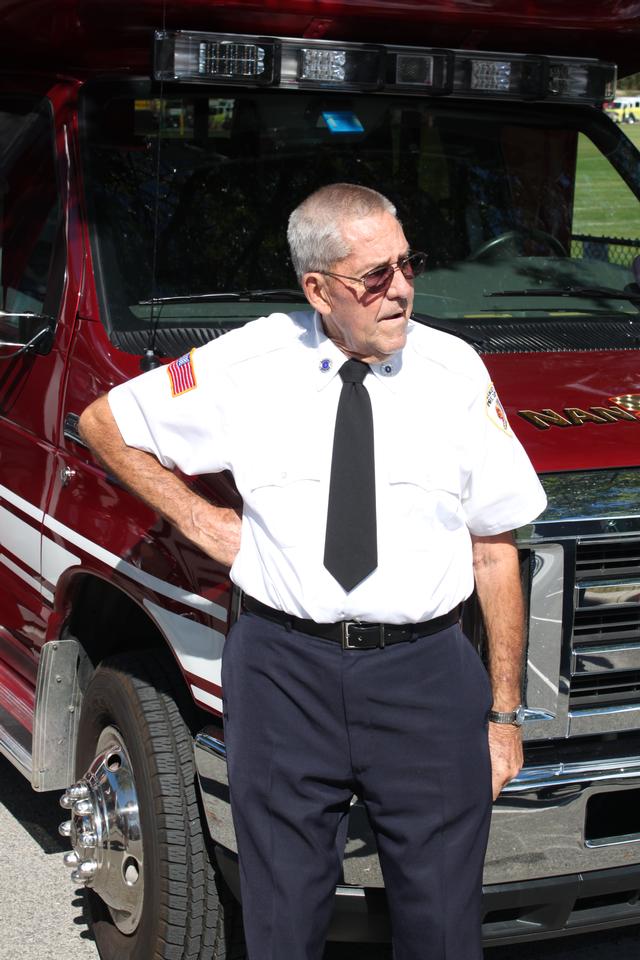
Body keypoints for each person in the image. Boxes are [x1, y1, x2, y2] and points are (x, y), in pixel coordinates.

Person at [78, 182, 547, 960]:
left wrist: (503, 716)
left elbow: (494, 547)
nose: (400, 290)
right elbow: (105, 423)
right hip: (283, 672)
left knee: (441, 924)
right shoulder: (250, 361)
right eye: (374, 277)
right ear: (318, 290)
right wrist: (195, 516)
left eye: (407, 264)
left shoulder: (456, 372)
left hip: (426, 675)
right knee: (282, 919)